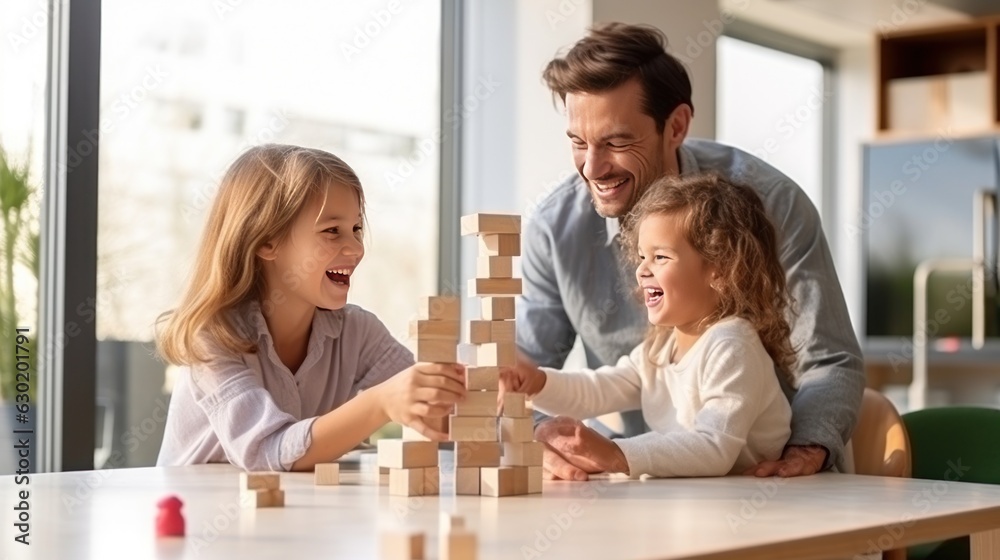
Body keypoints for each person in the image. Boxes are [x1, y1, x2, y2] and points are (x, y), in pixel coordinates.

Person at [518, 22, 864, 480]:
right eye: (579, 143)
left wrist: (804, 452)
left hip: (760, 483)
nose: (592, 168)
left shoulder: (772, 205)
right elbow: (571, 381)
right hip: (646, 485)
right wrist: (537, 416)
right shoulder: (554, 228)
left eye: (617, 142)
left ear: (676, 126)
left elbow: (828, 361)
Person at [156, 144, 465, 471]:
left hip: (291, 515)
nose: (357, 248)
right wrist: (380, 403)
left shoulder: (358, 333)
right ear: (267, 241)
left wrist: (506, 407)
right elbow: (267, 451)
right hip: (198, 516)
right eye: (332, 231)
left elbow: (439, 412)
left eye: (356, 229)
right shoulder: (213, 338)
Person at [504, 174, 793, 477]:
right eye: (642, 256)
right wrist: (536, 383)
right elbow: (598, 390)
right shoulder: (660, 347)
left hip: (759, 504)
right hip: (708, 499)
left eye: (660, 257)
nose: (642, 269)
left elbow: (713, 448)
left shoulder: (733, 345)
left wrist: (617, 454)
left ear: (720, 270)